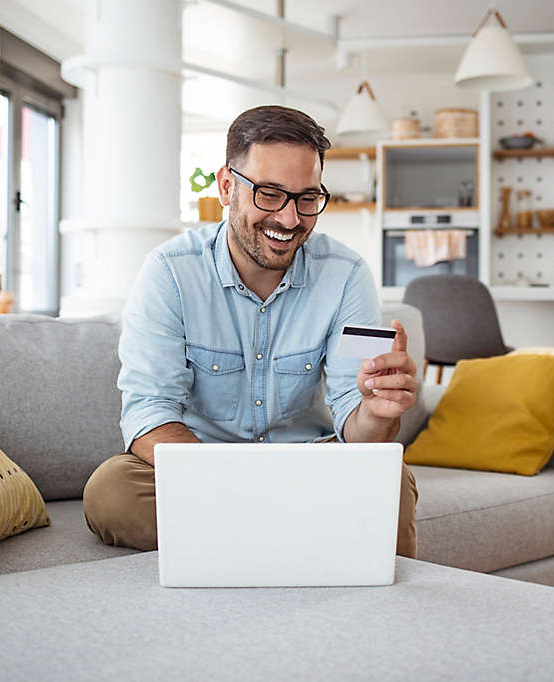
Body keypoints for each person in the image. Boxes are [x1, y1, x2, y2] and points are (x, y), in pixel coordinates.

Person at [82, 105, 420, 557]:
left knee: (389, 479)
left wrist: (377, 413)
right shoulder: (169, 272)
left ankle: (246, 543)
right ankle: (305, 542)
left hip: (307, 463)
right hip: (200, 467)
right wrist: (237, 485)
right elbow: (150, 413)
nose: (289, 219)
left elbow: (354, 426)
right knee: (113, 492)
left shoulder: (347, 275)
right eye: (269, 193)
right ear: (226, 186)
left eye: (306, 198)